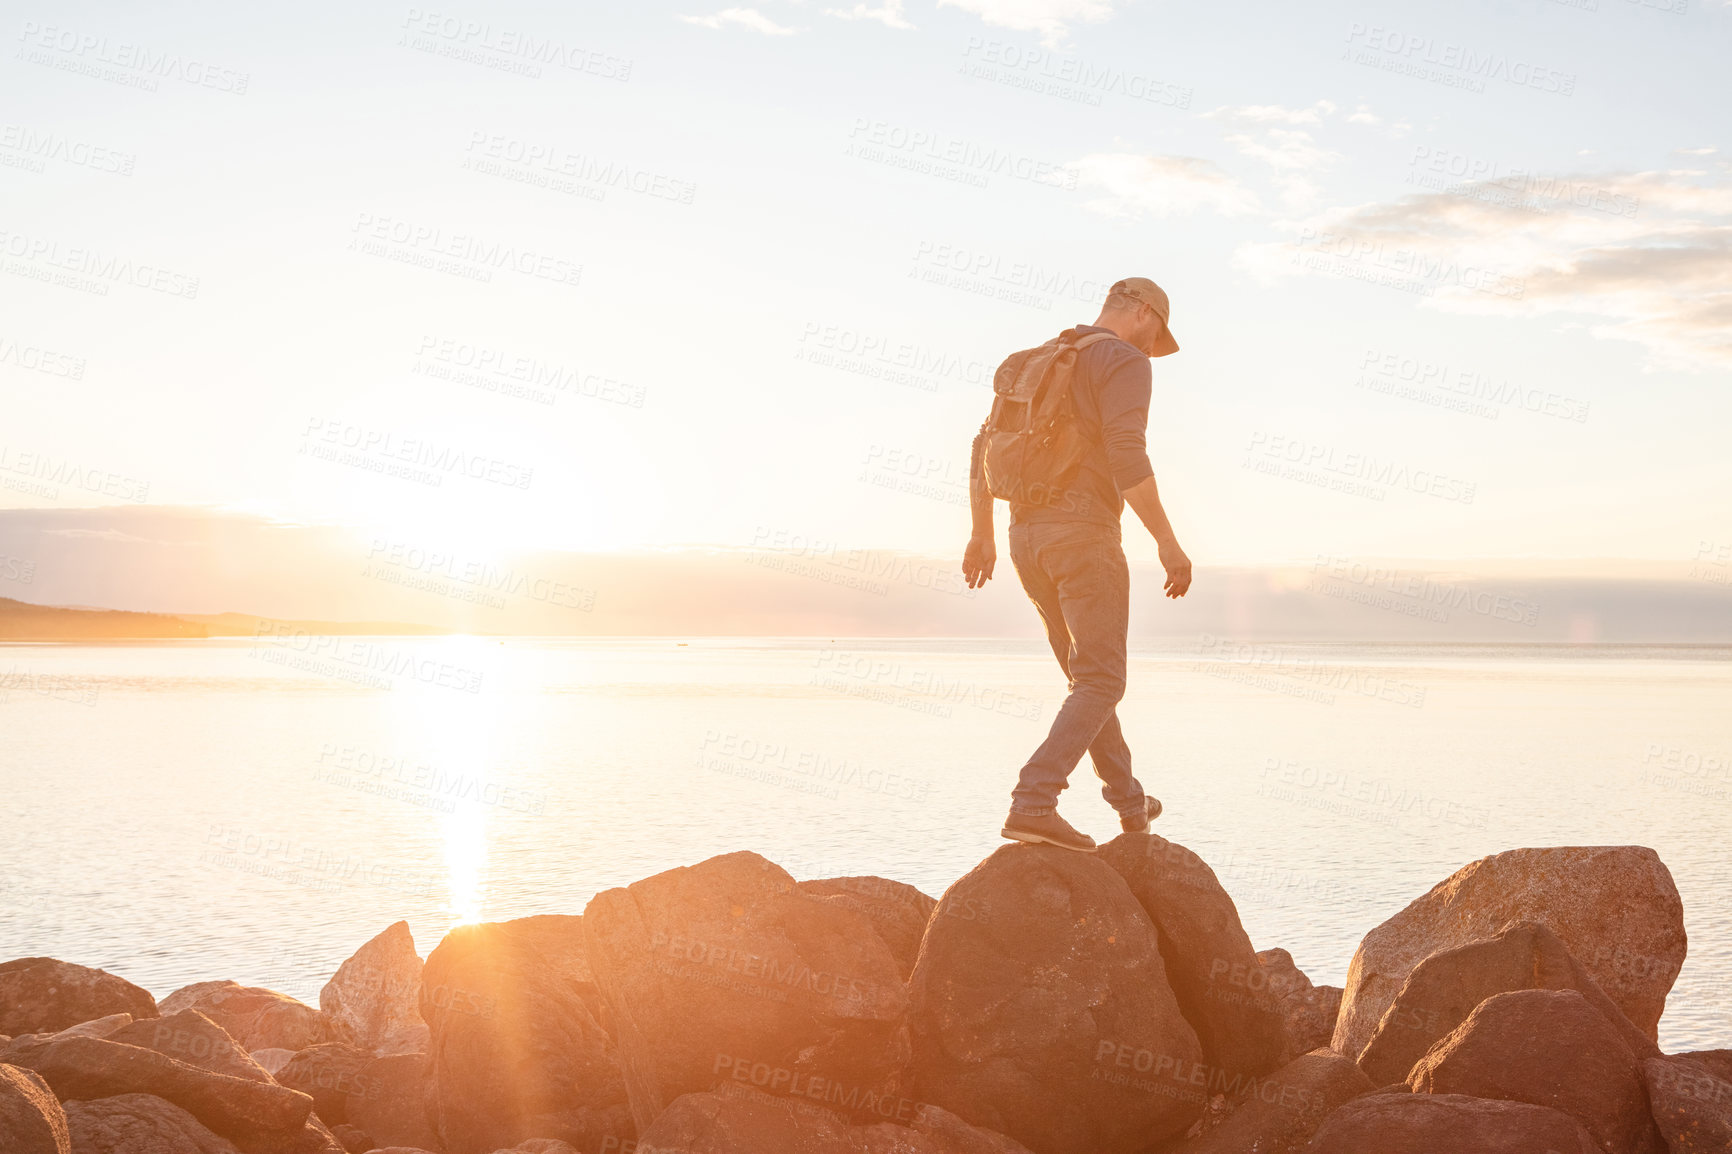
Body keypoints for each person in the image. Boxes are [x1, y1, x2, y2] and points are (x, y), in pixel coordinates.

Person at [962, 277, 1192, 853]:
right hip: (1083, 536)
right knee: (1101, 679)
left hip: (1024, 538)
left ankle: (1130, 804)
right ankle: (1033, 802)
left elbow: (981, 447)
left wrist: (981, 534)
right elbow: (1125, 452)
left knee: (1085, 679)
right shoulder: (1123, 361)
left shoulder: (1033, 360)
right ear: (1142, 313)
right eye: (1156, 334)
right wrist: (1167, 542)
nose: (1151, 349)